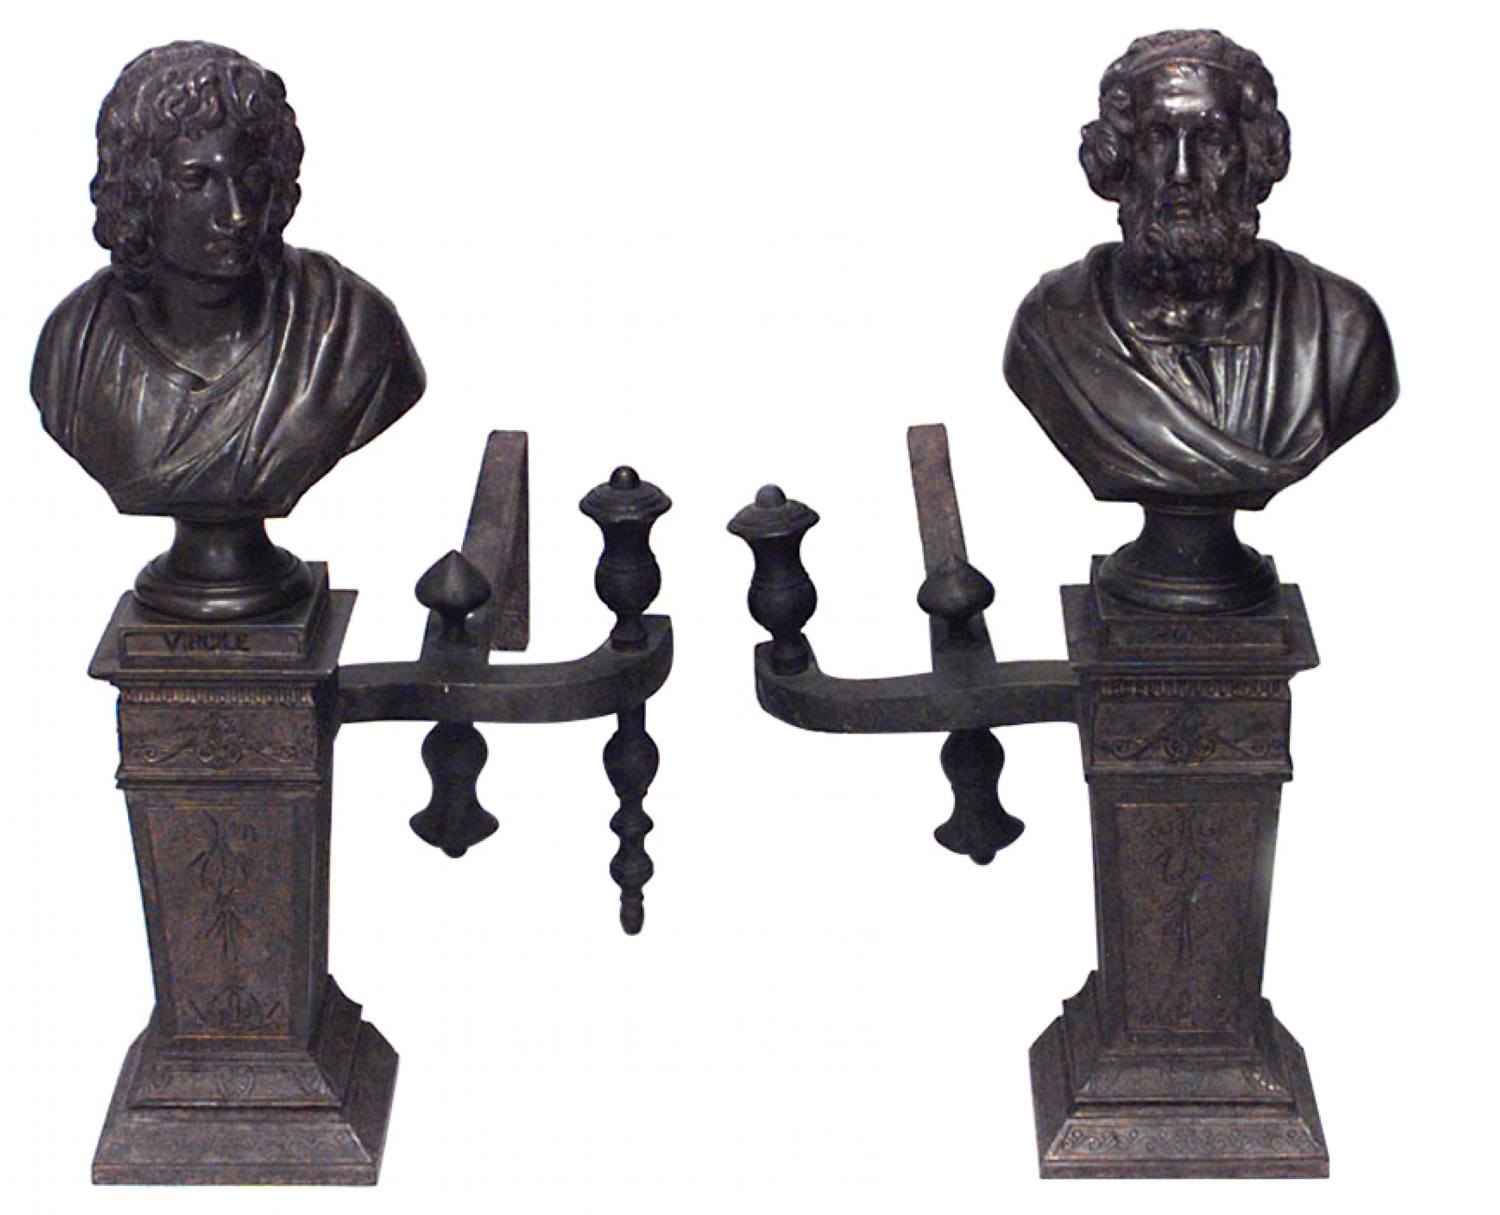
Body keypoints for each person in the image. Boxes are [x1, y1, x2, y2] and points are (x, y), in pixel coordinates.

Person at [1004, 30, 1397, 512]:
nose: (1182, 172)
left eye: (1212, 140)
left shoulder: (1341, 330)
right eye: (1157, 138)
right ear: (1120, 157)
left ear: (1253, 159)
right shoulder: (1054, 325)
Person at [31, 41, 425, 522]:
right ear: (139, 191)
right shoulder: (75, 346)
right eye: (197, 181)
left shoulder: (349, 332)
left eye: (252, 177)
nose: (237, 213)